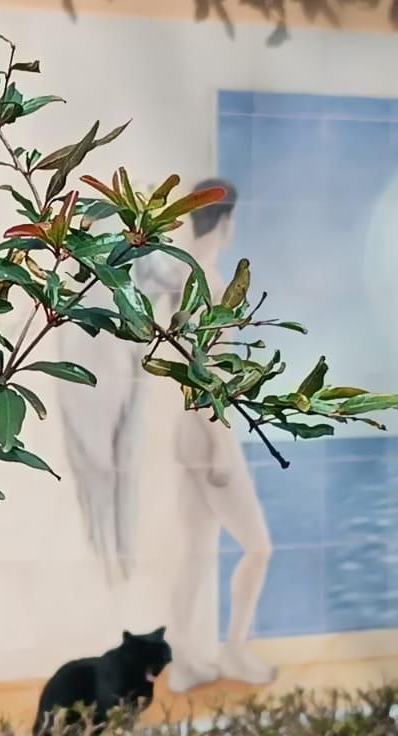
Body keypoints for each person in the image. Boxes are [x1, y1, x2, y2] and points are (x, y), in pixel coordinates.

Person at [163, 180, 277, 691]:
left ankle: (186, 658)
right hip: (208, 432)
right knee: (258, 547)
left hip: (189, 433)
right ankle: (233, 648)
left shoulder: (184, 275)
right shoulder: (206, 282)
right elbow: (201, 370)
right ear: (225, 222)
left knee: (196, 551)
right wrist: (220, 444)